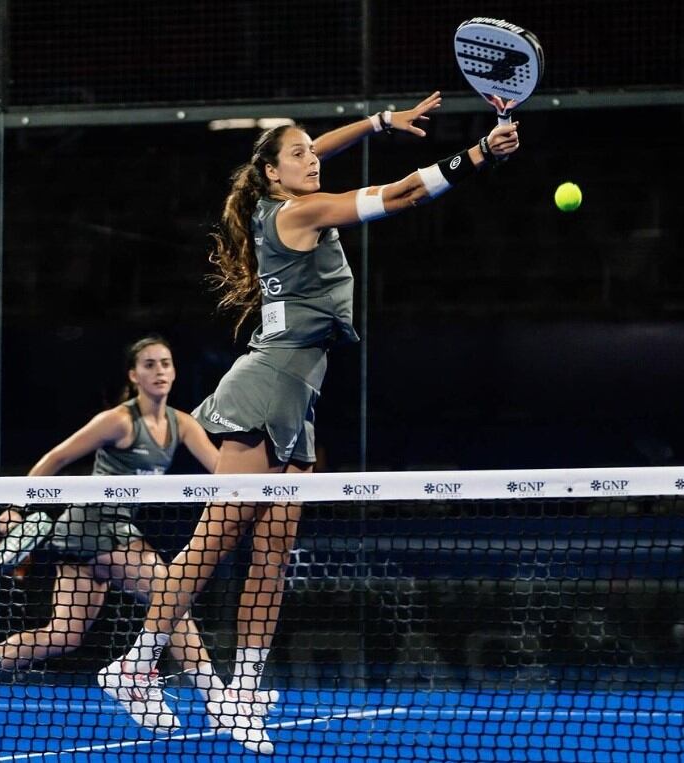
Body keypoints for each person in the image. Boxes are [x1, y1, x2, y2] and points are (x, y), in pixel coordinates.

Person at [99, 94, 522, 753]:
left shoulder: (288, 187)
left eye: (310, 149)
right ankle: (135, 663)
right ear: (272, 174)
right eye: (296, 153)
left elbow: (317, 150)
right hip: (262, 388)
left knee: (269, 560)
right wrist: (476, 153)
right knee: (212, 543)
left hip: (299, 398)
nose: (311, 157)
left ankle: (240, 695)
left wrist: (380, 122)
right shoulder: (298, 211)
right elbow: (405, 194)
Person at [0, 335, 253, 732]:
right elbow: (59, 457)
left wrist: (267, 474)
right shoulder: (118, 420)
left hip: (100, 535)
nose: (160, 372)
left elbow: (225, 471)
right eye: (150, 365)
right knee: (172, 594)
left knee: (64, 634)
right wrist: (17, 505)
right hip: (93, 527)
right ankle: (213, 698)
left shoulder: (181, 424)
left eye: (166, 364)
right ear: (134, 375)